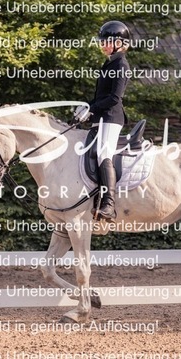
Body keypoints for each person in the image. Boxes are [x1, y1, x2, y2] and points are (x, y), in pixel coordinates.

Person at [73, 20, 132, 221]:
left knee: (103, 154)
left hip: (111, 117)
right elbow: (101, 97)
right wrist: (86, 107)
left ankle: (109, 204)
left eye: (106, 41)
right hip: (101, 117)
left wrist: (92, 108)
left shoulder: (121, 65)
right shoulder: (109, 63)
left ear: (118, 43)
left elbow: (114, 98)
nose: (102, 44)